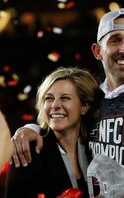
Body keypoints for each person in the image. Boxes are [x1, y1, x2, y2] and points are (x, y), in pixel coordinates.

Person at [11, 8, 124, 197]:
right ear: (97, 51)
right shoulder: (94, 100)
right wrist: (30, 129)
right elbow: (62, 120)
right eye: (115, 40)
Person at [5, 67, 101, 198]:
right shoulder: (28, 150)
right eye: (49, 98)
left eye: (65, 98)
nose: (55, 105)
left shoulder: (96, 147)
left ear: (84, 106)